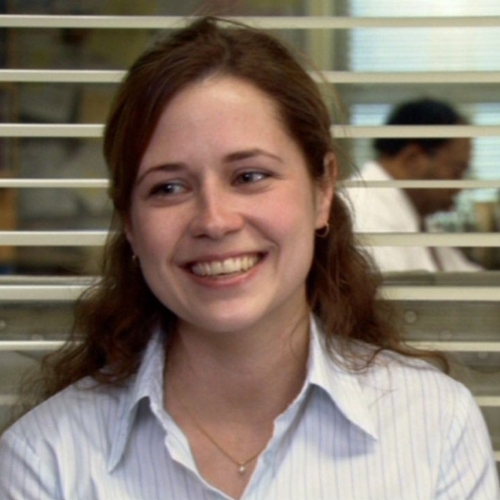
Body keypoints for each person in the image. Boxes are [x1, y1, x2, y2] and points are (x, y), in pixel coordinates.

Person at [0, 17, 498, 500]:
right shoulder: (46, 461)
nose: (214, 221)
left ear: (323, 190)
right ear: (129, 222)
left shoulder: (434, 427)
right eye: (168, 187)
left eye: (250, 176)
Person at [348, 98, 482, 272]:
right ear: (413, 159)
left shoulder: (415, 218)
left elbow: (464, 276)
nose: (460, 187)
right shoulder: (363, 213)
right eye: (456, 172)